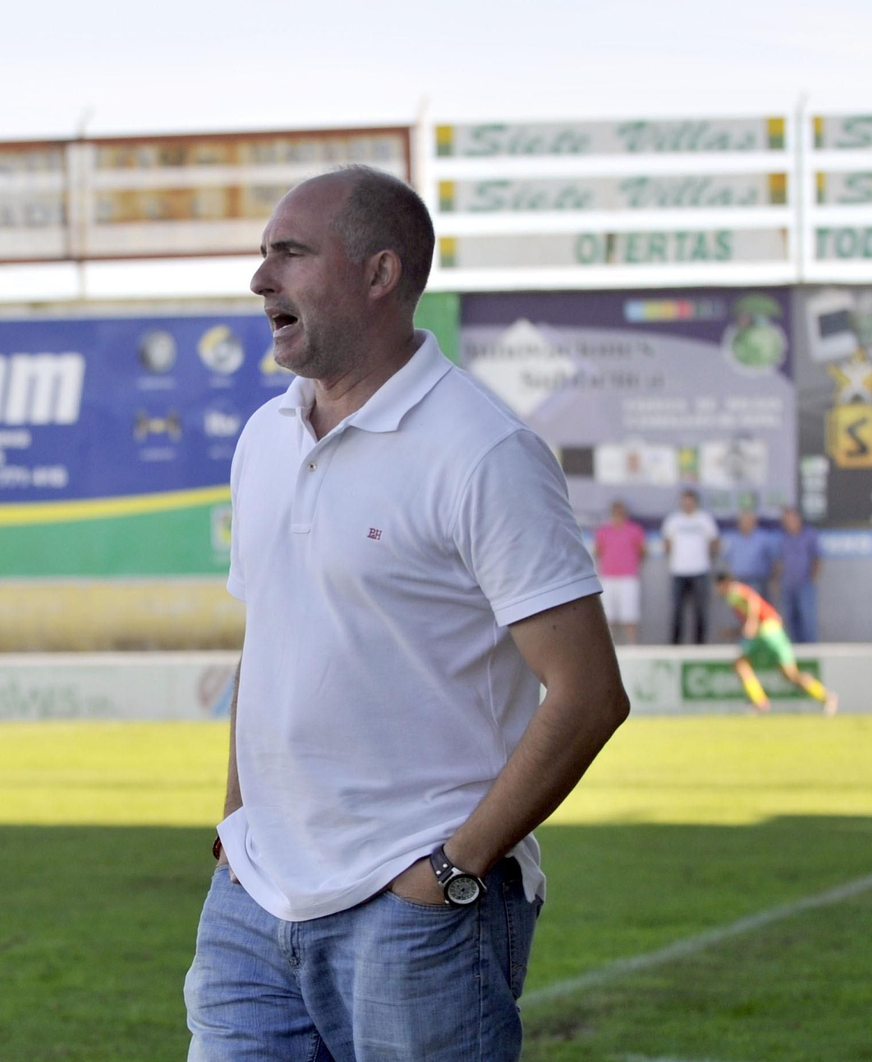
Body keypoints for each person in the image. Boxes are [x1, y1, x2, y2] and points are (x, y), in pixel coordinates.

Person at [184, 167, 629, 1062]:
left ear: (381, 274)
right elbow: (265, 646)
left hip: (414, 912)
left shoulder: (484, 452)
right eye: (263, 254)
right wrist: (237, 828)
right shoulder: (264, 435)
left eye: (290, 253)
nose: (259, 279)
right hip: (253, 898)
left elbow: (588, 694)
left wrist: (452, 869)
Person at [714, 570, 838, 716]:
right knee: (790, 674)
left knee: (741, 664)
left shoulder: (735, 590)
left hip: (768, 631)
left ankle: (760, 702)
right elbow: (749, 618)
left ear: (725, 583)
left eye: (718, 586)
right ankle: (826, 697)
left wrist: (752, 623)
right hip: (771, 631)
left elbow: (753, 600)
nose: (717, 591)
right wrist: (733, 631)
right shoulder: (732, 598)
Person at [662, 489, 719, 644]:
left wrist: (707, 558)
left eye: (690, 501)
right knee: (677, 611)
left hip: (700, 571)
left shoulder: (704, 519)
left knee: (700, 611)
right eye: (685, 501)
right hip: (678, 571)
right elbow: (666, 544)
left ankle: (699, 645)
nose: (687, 504)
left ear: (695, 502)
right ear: (681, 502)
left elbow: (714, 542)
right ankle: (675, 644)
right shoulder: (673, 520)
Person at [594, 499, 647, 643]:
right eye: (616, 511)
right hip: (608, 578)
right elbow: (598, 552)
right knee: (608, 617)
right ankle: (609, 649)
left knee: (630, 616)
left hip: (628, 578)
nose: (618, 514)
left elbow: (642, 552)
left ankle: (632, 646)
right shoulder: (603, 531)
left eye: (621, 511)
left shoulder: (635, 530)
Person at [774, 507, 822, 643]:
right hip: (787, 584)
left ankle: (811, 651)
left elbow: (817, 557)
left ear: (798, 519)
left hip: (804, 583)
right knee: (790, 619)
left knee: (807, 619)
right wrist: (777, 581)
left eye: (790, 519)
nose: (787, 523)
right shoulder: (782, 538)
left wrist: (813, 578)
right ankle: (796, 651)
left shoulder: (809, 534)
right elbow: (779, 561)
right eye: (785, 520)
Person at [719, 508, 778, 601]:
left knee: (757, 611)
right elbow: (724, 560)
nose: (745, 523)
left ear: (755, 522)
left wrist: (774, 581)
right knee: (740, 612)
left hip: (758, 581)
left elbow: (774, 559)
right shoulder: (731, 538)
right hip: (737, 581)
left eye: (749, 520)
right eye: (743, 520)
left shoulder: (764, 538)